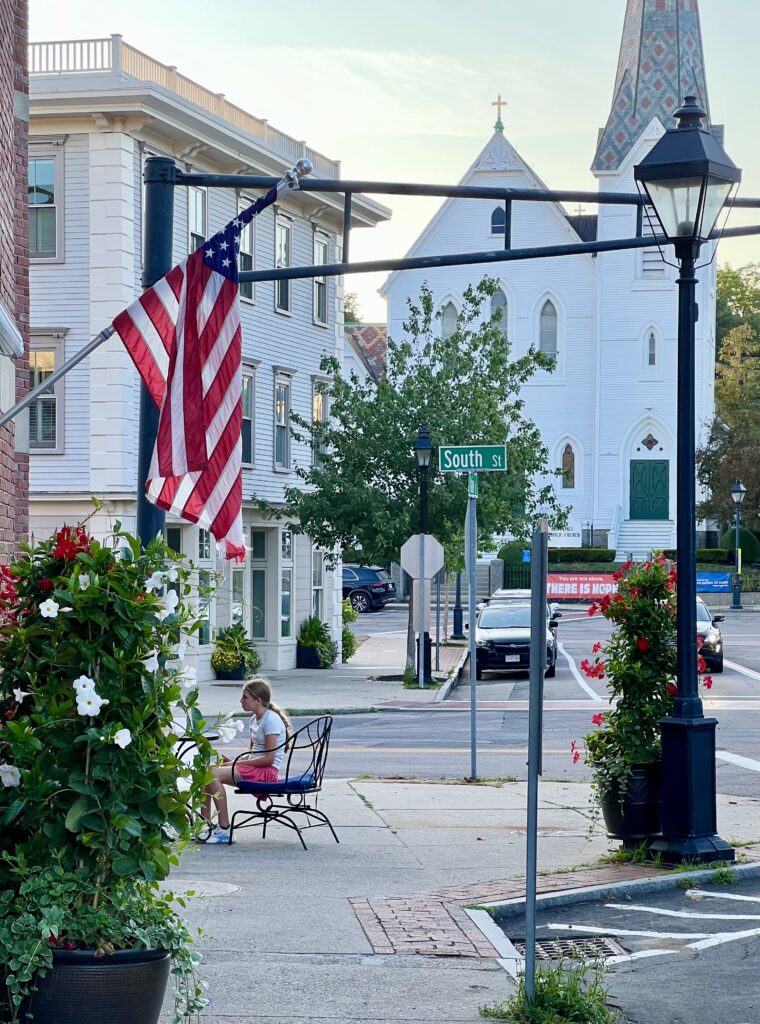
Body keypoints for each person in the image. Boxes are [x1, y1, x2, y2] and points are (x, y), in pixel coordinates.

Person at [201, 677, 292, 844]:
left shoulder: (270, 719)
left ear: (258, 701)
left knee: (211, 774)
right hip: (255, 768)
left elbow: (269, 759)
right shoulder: (254, 719)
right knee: (204, 771)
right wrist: (235, 760)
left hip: (266, 773)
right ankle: (203, 825)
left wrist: (236, 764)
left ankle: (224, 829)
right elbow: (254, 753)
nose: (241, 700)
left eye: (245, 697)